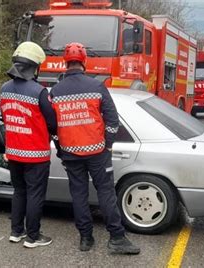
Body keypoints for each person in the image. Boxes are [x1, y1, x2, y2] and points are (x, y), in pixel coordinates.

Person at [50, 42, 140, 254]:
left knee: (79, 196)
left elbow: (52, 127)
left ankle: (85, 238)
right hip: (98, 152)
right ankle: (117, 238)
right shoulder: (97, 87)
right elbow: (112, 121)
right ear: (84, 61)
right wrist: (108, 145)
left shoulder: (55, 91)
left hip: (71, 153)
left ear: (65, 62)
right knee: (106, 193)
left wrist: (61, 149)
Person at [0, 41, 57, 248]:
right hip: (35, 154)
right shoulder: (39, 91)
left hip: (13, 152)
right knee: (35, 194)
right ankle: (33, 236)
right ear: (35, 67)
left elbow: (6, 118)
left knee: (19, 192)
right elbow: (52, 122)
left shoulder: (4, 89)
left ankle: (16, 232)